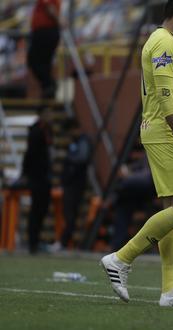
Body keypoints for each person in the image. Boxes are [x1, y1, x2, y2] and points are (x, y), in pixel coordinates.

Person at [99, 0, 173, 308]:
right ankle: (121, 258)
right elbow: (164, 95)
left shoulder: (162, 40)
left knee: (172, 211)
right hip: (166, 132)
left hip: (159, 130)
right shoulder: (163, 42)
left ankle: (171, 291)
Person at [51, 118, 92, 251]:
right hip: (71, 183)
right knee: (70, 213)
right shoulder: (76, 142)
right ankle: (68, 242)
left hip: (76, 184)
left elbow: (82, 158)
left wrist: (70, 158)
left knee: (71, 214)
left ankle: (65, 242)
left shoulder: (83, 141)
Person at [22, 106, 53, 254]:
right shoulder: (36, 131)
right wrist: (26, 173)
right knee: (36, 210)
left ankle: (37, 240)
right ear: (41, 114)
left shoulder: (47, 130)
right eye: (47, 113)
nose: (50, 116)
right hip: (37, 177)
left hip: (45, 177)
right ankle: (32, 243)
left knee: (42, 209)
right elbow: (30, 154)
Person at [27, 0, 61, 99]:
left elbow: (49, 7)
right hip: (48, 31)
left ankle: (49, 85)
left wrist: (59, 20)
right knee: (44, 62)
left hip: (45, 32)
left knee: (33, 61)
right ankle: (48, 87)